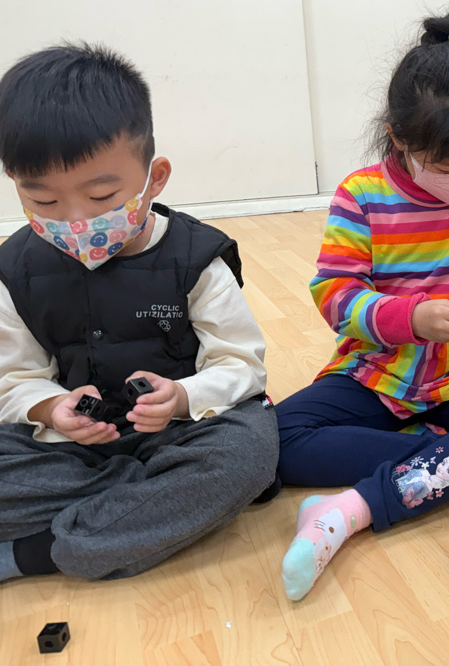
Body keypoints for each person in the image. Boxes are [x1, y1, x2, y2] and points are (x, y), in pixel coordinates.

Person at [276, 9, 449, 601]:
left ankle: (351, 507)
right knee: (275, 439)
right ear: (398, 136)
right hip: (382, 369)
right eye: (447, 168)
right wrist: (411, 319)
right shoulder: (362, 195)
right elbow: (335, 294)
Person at [0, 44, 278, 584]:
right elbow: (15, 378)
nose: (75, 220)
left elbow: (241, 365)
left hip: (183, 434)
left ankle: (36, 553)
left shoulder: (195, 258)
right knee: (217, 482)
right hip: (72, 451)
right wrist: (52, 408)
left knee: (244, 454)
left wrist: (182, 397)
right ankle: (152, 504)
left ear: (155, 177)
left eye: (102, 195)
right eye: (44, 202)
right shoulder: (16, 269)